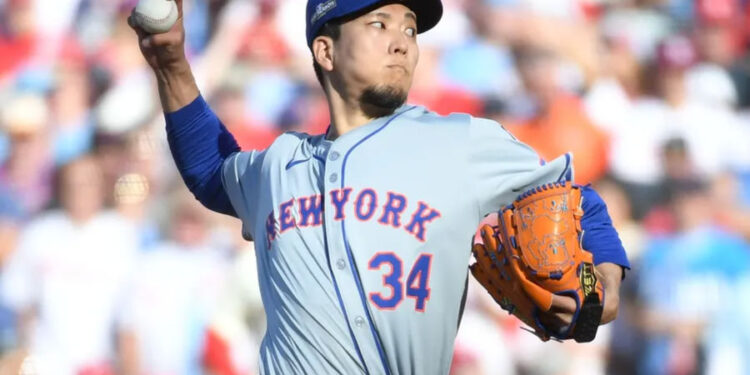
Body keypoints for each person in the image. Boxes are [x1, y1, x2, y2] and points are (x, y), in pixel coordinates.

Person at [128, 1, 629, 374]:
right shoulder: (278, 164)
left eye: (410, 29)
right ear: (325, 49)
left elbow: (575, 200)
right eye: (379, 23)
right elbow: (211, 173)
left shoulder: (457, 141)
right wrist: (171, 65)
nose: (402, 41)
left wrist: (599, 284)